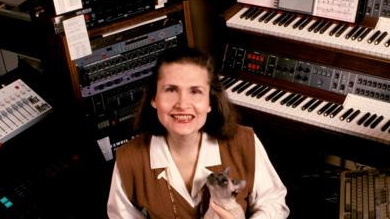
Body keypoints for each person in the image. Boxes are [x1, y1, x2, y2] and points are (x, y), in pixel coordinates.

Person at [107, 46, 290, 218]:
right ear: (154, 98)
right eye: (171, 90)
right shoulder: (129, 158)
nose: (182, 104)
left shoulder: (244, 142)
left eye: (195, 91)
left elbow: (272, 201)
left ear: (210, 102)